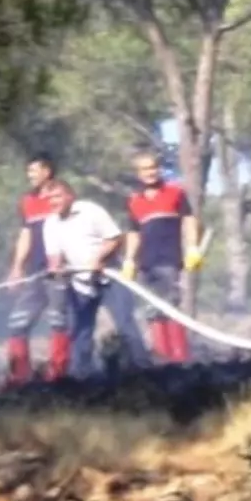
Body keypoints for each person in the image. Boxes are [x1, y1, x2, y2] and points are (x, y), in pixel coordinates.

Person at [41, 180, 150, 379]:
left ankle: (145, 372)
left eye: (57, 196)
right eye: (49, 198)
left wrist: (99, 259)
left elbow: (115, 238)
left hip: (109, 278)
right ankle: (79, 380)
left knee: (126, 325)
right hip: (80, 283)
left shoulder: (90, 211)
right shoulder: (50, 224)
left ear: (70, 196)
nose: (53, 202)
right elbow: (54, 257)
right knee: (80, 332)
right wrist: (55, 268)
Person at [119, 150, 204, 364]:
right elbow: (133, 233)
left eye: (153, 168)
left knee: (171, 307)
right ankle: (162, 360)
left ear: (159, 169)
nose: (150, 173)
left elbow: (189, 220)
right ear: (138, 173)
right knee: (152, 311)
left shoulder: (175, 193)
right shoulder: (134, 201)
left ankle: (180, 359)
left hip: (169, 260)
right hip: (145, 265)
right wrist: (129, 260)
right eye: (145, 169)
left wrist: (193, 248)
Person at [3, 153, 67, 385]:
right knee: (18, 322)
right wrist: (17, 267)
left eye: (34, 171)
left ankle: (59, 377)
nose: (29, 175)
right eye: (28, 171)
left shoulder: (61, 195)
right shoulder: (27, 201)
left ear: (47, 171)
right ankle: (19, 377)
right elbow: (26, 234)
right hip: (34, 272)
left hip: (60, 272)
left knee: (58, 322)